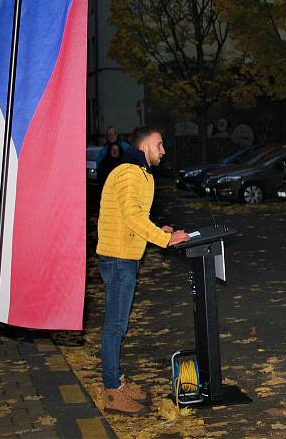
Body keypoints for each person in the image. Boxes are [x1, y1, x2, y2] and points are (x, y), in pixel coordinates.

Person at [96, 126, 189, 415]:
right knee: (115, 327)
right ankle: (112, 390)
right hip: (119, 259)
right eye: (159, 145)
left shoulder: (138, 172)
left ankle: (117, 382)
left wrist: (157, 230)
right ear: (145, 145)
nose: (163, 150)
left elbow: (133, 217)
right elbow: (132, 216)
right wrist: (165, 239)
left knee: (117, 326)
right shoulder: (129, 172)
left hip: (122, 256)